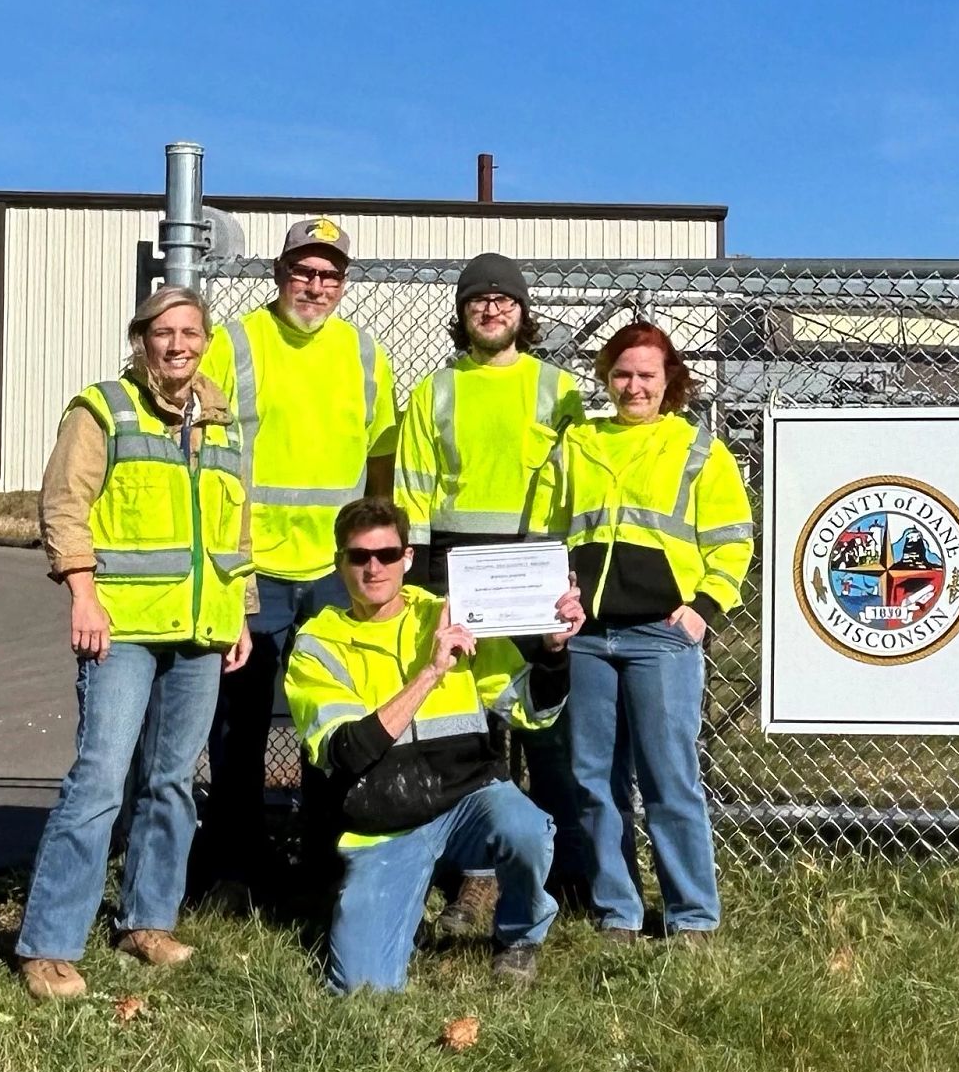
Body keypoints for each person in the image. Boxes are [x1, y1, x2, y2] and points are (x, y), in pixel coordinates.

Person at [16, 286, 255, 1000]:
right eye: (162, 333)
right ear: (141, 339)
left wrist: (239, 610)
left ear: (205, 341)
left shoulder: (223, 424)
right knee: (98, 780)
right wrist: (82, 592)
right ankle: (49, 944)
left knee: (173, 783)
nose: (177, 344)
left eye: (189, 331)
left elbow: (236, 528)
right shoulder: (104, 410)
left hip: (199, 632)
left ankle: (146, 921)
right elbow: (64, 504)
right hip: (119, 628)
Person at [286, 497, 582, 993]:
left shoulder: (448, 614)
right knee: (362, 988)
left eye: (386, 554)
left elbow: (530, 709)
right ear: (340, 563)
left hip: (469, 800)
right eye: (359, 557)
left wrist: (555, 651)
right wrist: (431, 673)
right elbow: (346, 753)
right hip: (384, 824)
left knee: (527, 828)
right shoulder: (318, 644)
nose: (373, 568)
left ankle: (519, 936)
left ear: (407, 557)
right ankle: (400, 908)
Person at [194, 217, 400, 910]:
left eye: (329, 275)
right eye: (303, 272)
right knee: (240, 728)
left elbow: (380, 466)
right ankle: (234, 870)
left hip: (331, 576)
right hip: (253, 573)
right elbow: (203, 452)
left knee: (332, 725)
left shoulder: (366, 355)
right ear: (278, 274)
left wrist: (367, 560)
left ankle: (324, 866)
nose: (315, 286)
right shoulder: (235, 343)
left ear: (344, 284)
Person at [535, 320, 753, 941]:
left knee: (669, 779)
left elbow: (732, 542)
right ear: (607, 377)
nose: (633, 386)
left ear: (670, 382)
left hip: (661, 636)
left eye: (647, 376)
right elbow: (546, 535)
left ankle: (691, 916)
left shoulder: (698, 451)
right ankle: (618, 911)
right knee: (595, 780)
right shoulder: (576, 445)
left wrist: (702, 610)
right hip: (587, 638)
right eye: (623, 373)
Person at [394, 253, 585, 937]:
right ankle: (473, 876)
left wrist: (566, 569)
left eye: (505, 298)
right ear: (462, 314)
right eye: (479, 299)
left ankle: (558, 870)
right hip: (455, 561)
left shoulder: (558, 389)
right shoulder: (434, 391)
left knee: (546, 720)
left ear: (524, 312)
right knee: (470, 721)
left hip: (533, 564)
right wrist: (421, 574)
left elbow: (575, 480)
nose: (492, 308)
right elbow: (413, 481)